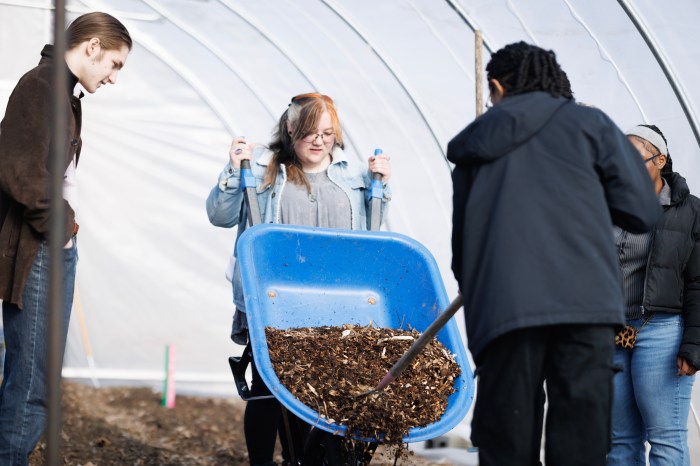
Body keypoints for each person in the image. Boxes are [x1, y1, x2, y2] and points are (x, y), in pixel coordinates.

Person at [447, 41, 661, 466]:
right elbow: (642, 211)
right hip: (584, 309)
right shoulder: (591, 127)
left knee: (506, 445)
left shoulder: (474, 148)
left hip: (504, 310)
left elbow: (462, 253)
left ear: (497, 88)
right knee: (580, 446)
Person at [206, 93, 392, 466]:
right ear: (290, 128)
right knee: (269, 390)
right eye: (310, 132)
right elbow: (220, 216)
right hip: (274, 303)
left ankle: (305, 458)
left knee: (328, 391)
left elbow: (372, 234)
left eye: (327, 133)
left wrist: (381, 186)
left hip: (336, 306)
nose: (319, 141)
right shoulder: (260, 173)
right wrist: (231, 171)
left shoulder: (354, 177)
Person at [0, 12, 131, 465]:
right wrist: (61, 230)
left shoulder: (66, 96)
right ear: (92, 47)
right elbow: (19, 173)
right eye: (114, 64)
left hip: (54, 247)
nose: (114, 78)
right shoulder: (40, 88)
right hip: (39, 248)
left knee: (37, 374)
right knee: (33, 379)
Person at [607, 124, 699, 466]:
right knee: (618, 441)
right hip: (610, 333)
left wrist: (694, 345)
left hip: (661, 332)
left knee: (666, 438)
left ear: (659, 160)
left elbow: (698, 282)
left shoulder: (690, 212)